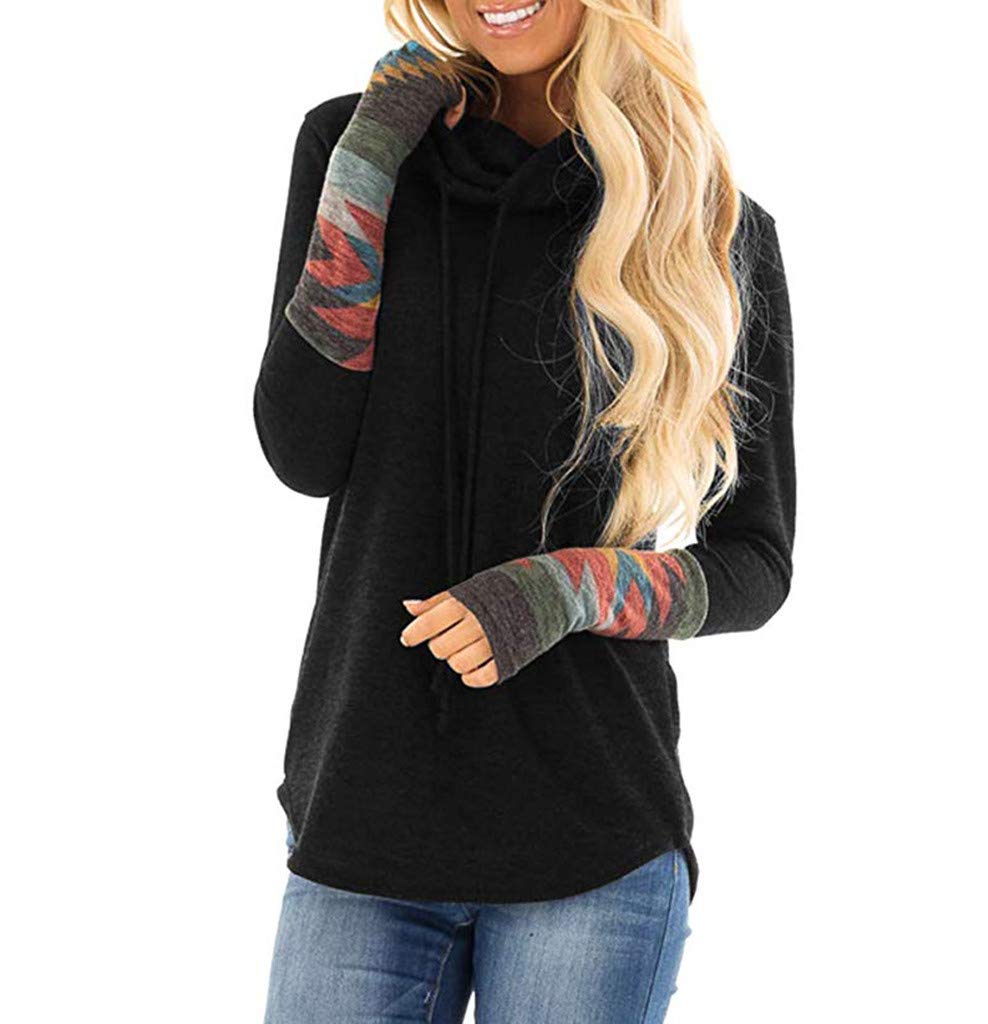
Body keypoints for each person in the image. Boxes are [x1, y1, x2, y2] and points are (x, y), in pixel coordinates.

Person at [254, 2, 794, 1020]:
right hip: (360, 814)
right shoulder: (359, 146)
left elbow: (755, 562)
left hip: (592, 844)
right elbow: (303, 451)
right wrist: (369, 162)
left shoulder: (706, 228)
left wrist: (560, 590)